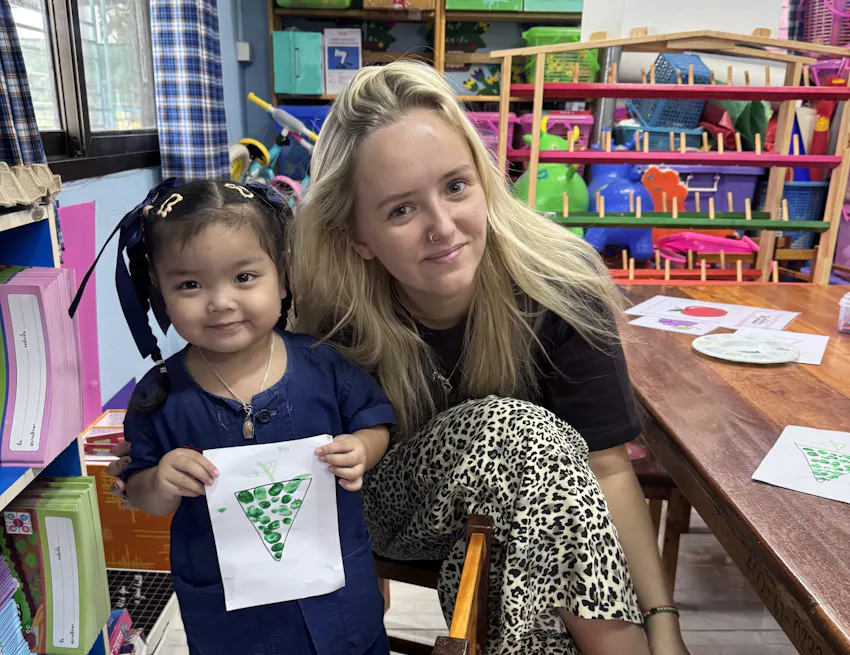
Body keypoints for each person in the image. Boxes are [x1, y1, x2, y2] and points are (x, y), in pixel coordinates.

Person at [290, 61, 688, 655]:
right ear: (359, 237)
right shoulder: (335, 315)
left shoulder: (558, 282)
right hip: (389, 508)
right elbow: (321, 488)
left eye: (456, 186)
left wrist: (664, 623)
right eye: (401, 210)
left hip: (514, 520)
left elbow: (606, 467)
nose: (442, 227)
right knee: (519, 429)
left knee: (527, 529)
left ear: (484, 179)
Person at [72, 180, 395, 655]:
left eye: (244, 277)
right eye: (189, 284)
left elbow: (377, 420)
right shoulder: (159, 397)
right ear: (159, 294)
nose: (220, 301)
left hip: (338, 599)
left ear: (283, 277)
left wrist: (364, 448)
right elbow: (144, 494)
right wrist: (161, 480)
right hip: (233, 620)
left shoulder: (326, 366)